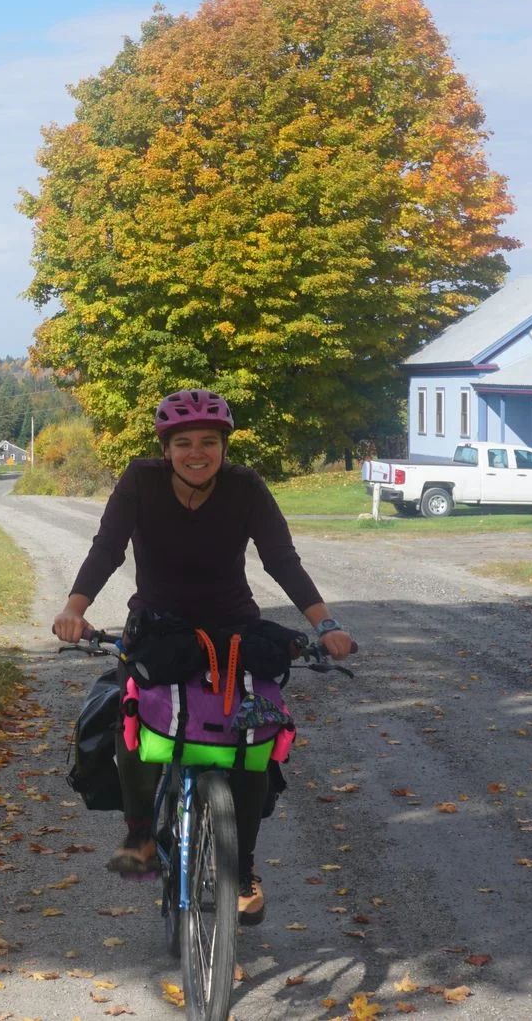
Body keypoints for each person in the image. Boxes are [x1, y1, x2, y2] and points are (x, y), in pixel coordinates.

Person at [52, 389, 356, 926]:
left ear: (224, 447)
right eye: (184, 443)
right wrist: (75, 609)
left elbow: (281, 559)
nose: (197, 453)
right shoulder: (141, 481)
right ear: (166, 449)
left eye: (209, 442)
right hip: (159, 629)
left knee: (253, 735)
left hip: (233, 629)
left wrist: (325, 624)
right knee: (132, 716)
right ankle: (141, 834)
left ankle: (243, 866)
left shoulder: (246, 488)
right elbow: (107, 549)